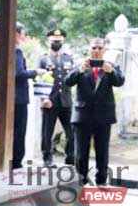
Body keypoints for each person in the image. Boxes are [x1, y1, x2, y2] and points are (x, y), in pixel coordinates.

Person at [64, 37, 125, 186]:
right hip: (82, 115)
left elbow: (120, 82)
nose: (96, 51)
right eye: (94, 48)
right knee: (81, 151)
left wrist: (110, 72)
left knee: (102, 150)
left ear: (104, 50)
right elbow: (68, 81)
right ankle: (81, 179)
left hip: (103, 116)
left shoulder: (111, 66)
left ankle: (101, 180)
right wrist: (80, 71)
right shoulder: (80, 65)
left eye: (99, 48)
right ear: (89, 49)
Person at [38, 28, 75, 167]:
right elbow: (38, 80)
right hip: (50, 101)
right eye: (54, 41)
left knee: (71, 131)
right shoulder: (43, 58)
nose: (56, 43)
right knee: (47, 132)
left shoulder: (68, 57)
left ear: (63, 41)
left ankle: (70, 157)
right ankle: (47, 158)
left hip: (66, 100)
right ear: (48, 42)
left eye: (59, 41)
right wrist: (44, 99)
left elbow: (72, 78)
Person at [12, 23, 46, 169]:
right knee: (19, 131)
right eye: (23, 34)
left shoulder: (6, 50)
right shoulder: (16, 51)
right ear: (15, 34)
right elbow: (19, 74)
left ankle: (13, 159)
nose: (24, 37)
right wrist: (35, 72)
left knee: (14, 130)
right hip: (19, 98)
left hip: (11, 97)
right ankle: (17, 161)